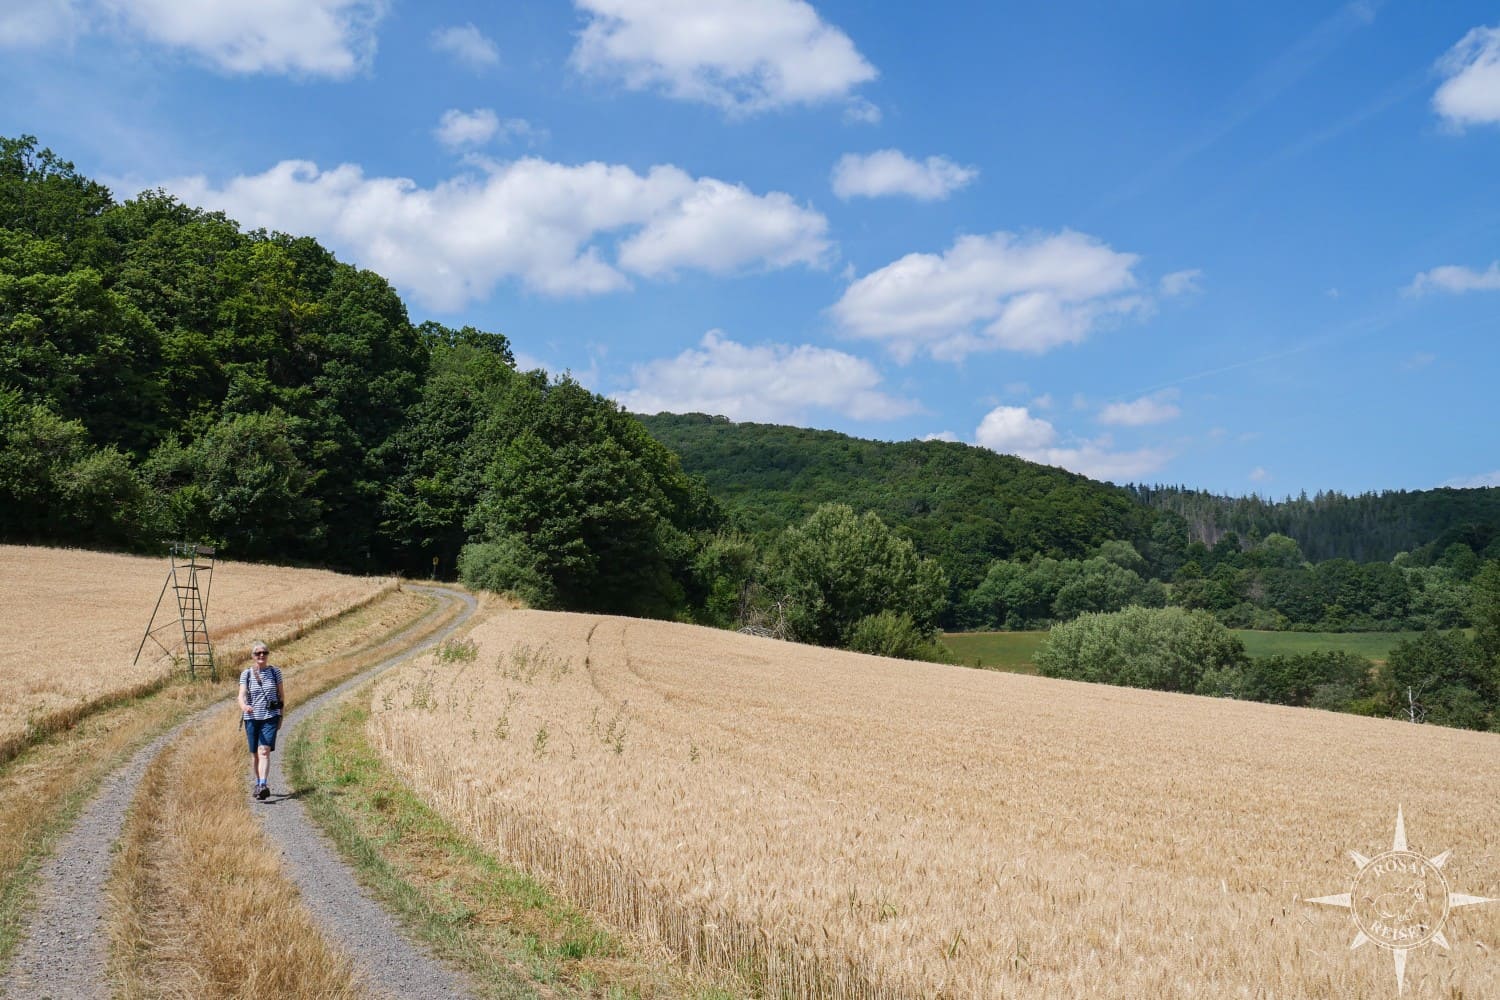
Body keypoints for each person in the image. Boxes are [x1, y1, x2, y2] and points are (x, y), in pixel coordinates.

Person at [238, 641, 285, 801]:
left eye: (264, 652)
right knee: (255, 755)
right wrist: (244, 706)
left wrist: (281, 716)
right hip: (251, 718)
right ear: (253, 656)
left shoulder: (275, 672)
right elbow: (241, 694)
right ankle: (258, 783)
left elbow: (281, 696)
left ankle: (263, 784)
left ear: (268, 655)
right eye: (258, 653)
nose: (261, 655)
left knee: (263, 751)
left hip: (270, 717)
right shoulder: (246, 674)